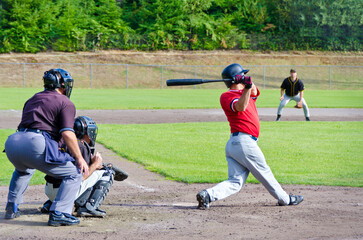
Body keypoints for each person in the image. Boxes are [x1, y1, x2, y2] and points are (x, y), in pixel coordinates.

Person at [196, 63, 304, 209]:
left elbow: (253, 90)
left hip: (238, 145)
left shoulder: (247, 92)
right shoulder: (227, 96)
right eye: (243, 75)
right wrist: (245, 86)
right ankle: (286, 199)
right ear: (236, 79)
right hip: (243, 142)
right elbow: (240, 106)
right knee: (264, 171)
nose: (246, 77)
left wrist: (246, 82)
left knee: (235, 182)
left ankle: (207, 195)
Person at [4, 69, 89, 226]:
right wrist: (79, 158)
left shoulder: (33, 98)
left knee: (23, 170)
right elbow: (67, 133)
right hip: (35, 142)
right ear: (62, 85)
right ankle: (59, 213)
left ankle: (11, 207)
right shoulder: (65, 102)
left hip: (13, 142)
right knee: (74, 173)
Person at [40, 116, 129, 217]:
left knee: (65, 176)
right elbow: (80, 177)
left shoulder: (62, 141)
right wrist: (95, 165)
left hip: (49, 190)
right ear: (85, 133)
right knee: (107, 172)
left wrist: (92, 165)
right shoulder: (81, 147)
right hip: (64, 192)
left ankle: (51, 203)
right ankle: (88, 208)